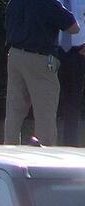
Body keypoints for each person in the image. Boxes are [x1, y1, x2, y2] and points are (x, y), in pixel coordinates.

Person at [4, 0, 77, 146]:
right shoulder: (48, 3)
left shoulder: (14, 2)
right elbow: (73, 27)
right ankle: (46, 152)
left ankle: (9, 148)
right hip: (40, 58)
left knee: (14, 110)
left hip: (15, 55)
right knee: (45, 111)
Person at [58, 0, 85, 146]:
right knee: (48, 100)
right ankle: (45, 144)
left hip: (77, 52)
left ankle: (70, 145)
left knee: (73, 101)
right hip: (52, 51)